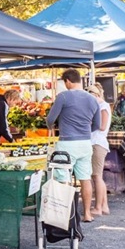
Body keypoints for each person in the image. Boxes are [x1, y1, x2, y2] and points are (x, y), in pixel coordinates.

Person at [46, 70, 100, 222]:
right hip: (85, 143)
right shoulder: (92, 99)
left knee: (63, 179)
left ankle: (66, 215)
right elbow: (97, 124)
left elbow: (50, 119)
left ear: (68, 81)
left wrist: (51, 126)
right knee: (85, 178)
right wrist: (84, 131)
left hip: (67, 142)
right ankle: (87, 214)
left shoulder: (63, 96)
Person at [88, 84, 111, 217]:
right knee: (97, 176)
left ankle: (98, 207)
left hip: (97, 142)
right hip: (96, 142)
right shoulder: (101, 106)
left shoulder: (102, 106)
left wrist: (88, 124)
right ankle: (104, 206)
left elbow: (102, 126)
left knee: (96, 176)